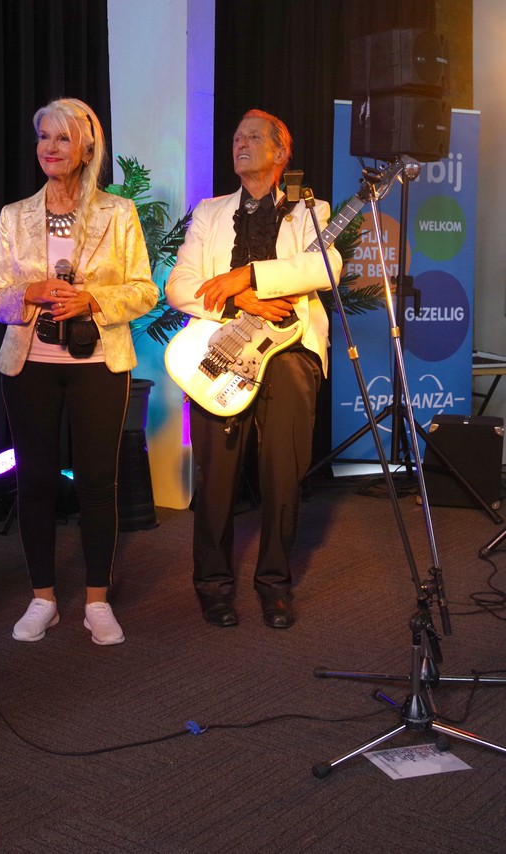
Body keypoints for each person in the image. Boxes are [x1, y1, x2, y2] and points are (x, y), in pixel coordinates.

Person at [0, 98, 156, 646]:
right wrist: (29, 292)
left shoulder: (118, 213)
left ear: (86, 149)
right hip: (29, 364)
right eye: (43, 137)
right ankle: (43, 599)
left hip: (99, 364)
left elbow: (145, 290)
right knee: (35, 481)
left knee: (97, 482)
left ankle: (97, 602)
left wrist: (92, 301)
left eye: (62, 139)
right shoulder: (14, 215)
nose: (50, 148)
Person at [166, 109, 341, 630]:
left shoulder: (310, 209)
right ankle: (213, 585)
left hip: (289, 352)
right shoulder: (210, 212)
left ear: (281, 152)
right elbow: (179, 285)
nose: (240, 143)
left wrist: (248, 277)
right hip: (221, 349)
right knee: (216, 476)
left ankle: (275, 584)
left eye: (253, 137)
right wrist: (234, 299)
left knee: (283, 473)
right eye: (236, 136)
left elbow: (324, 266)